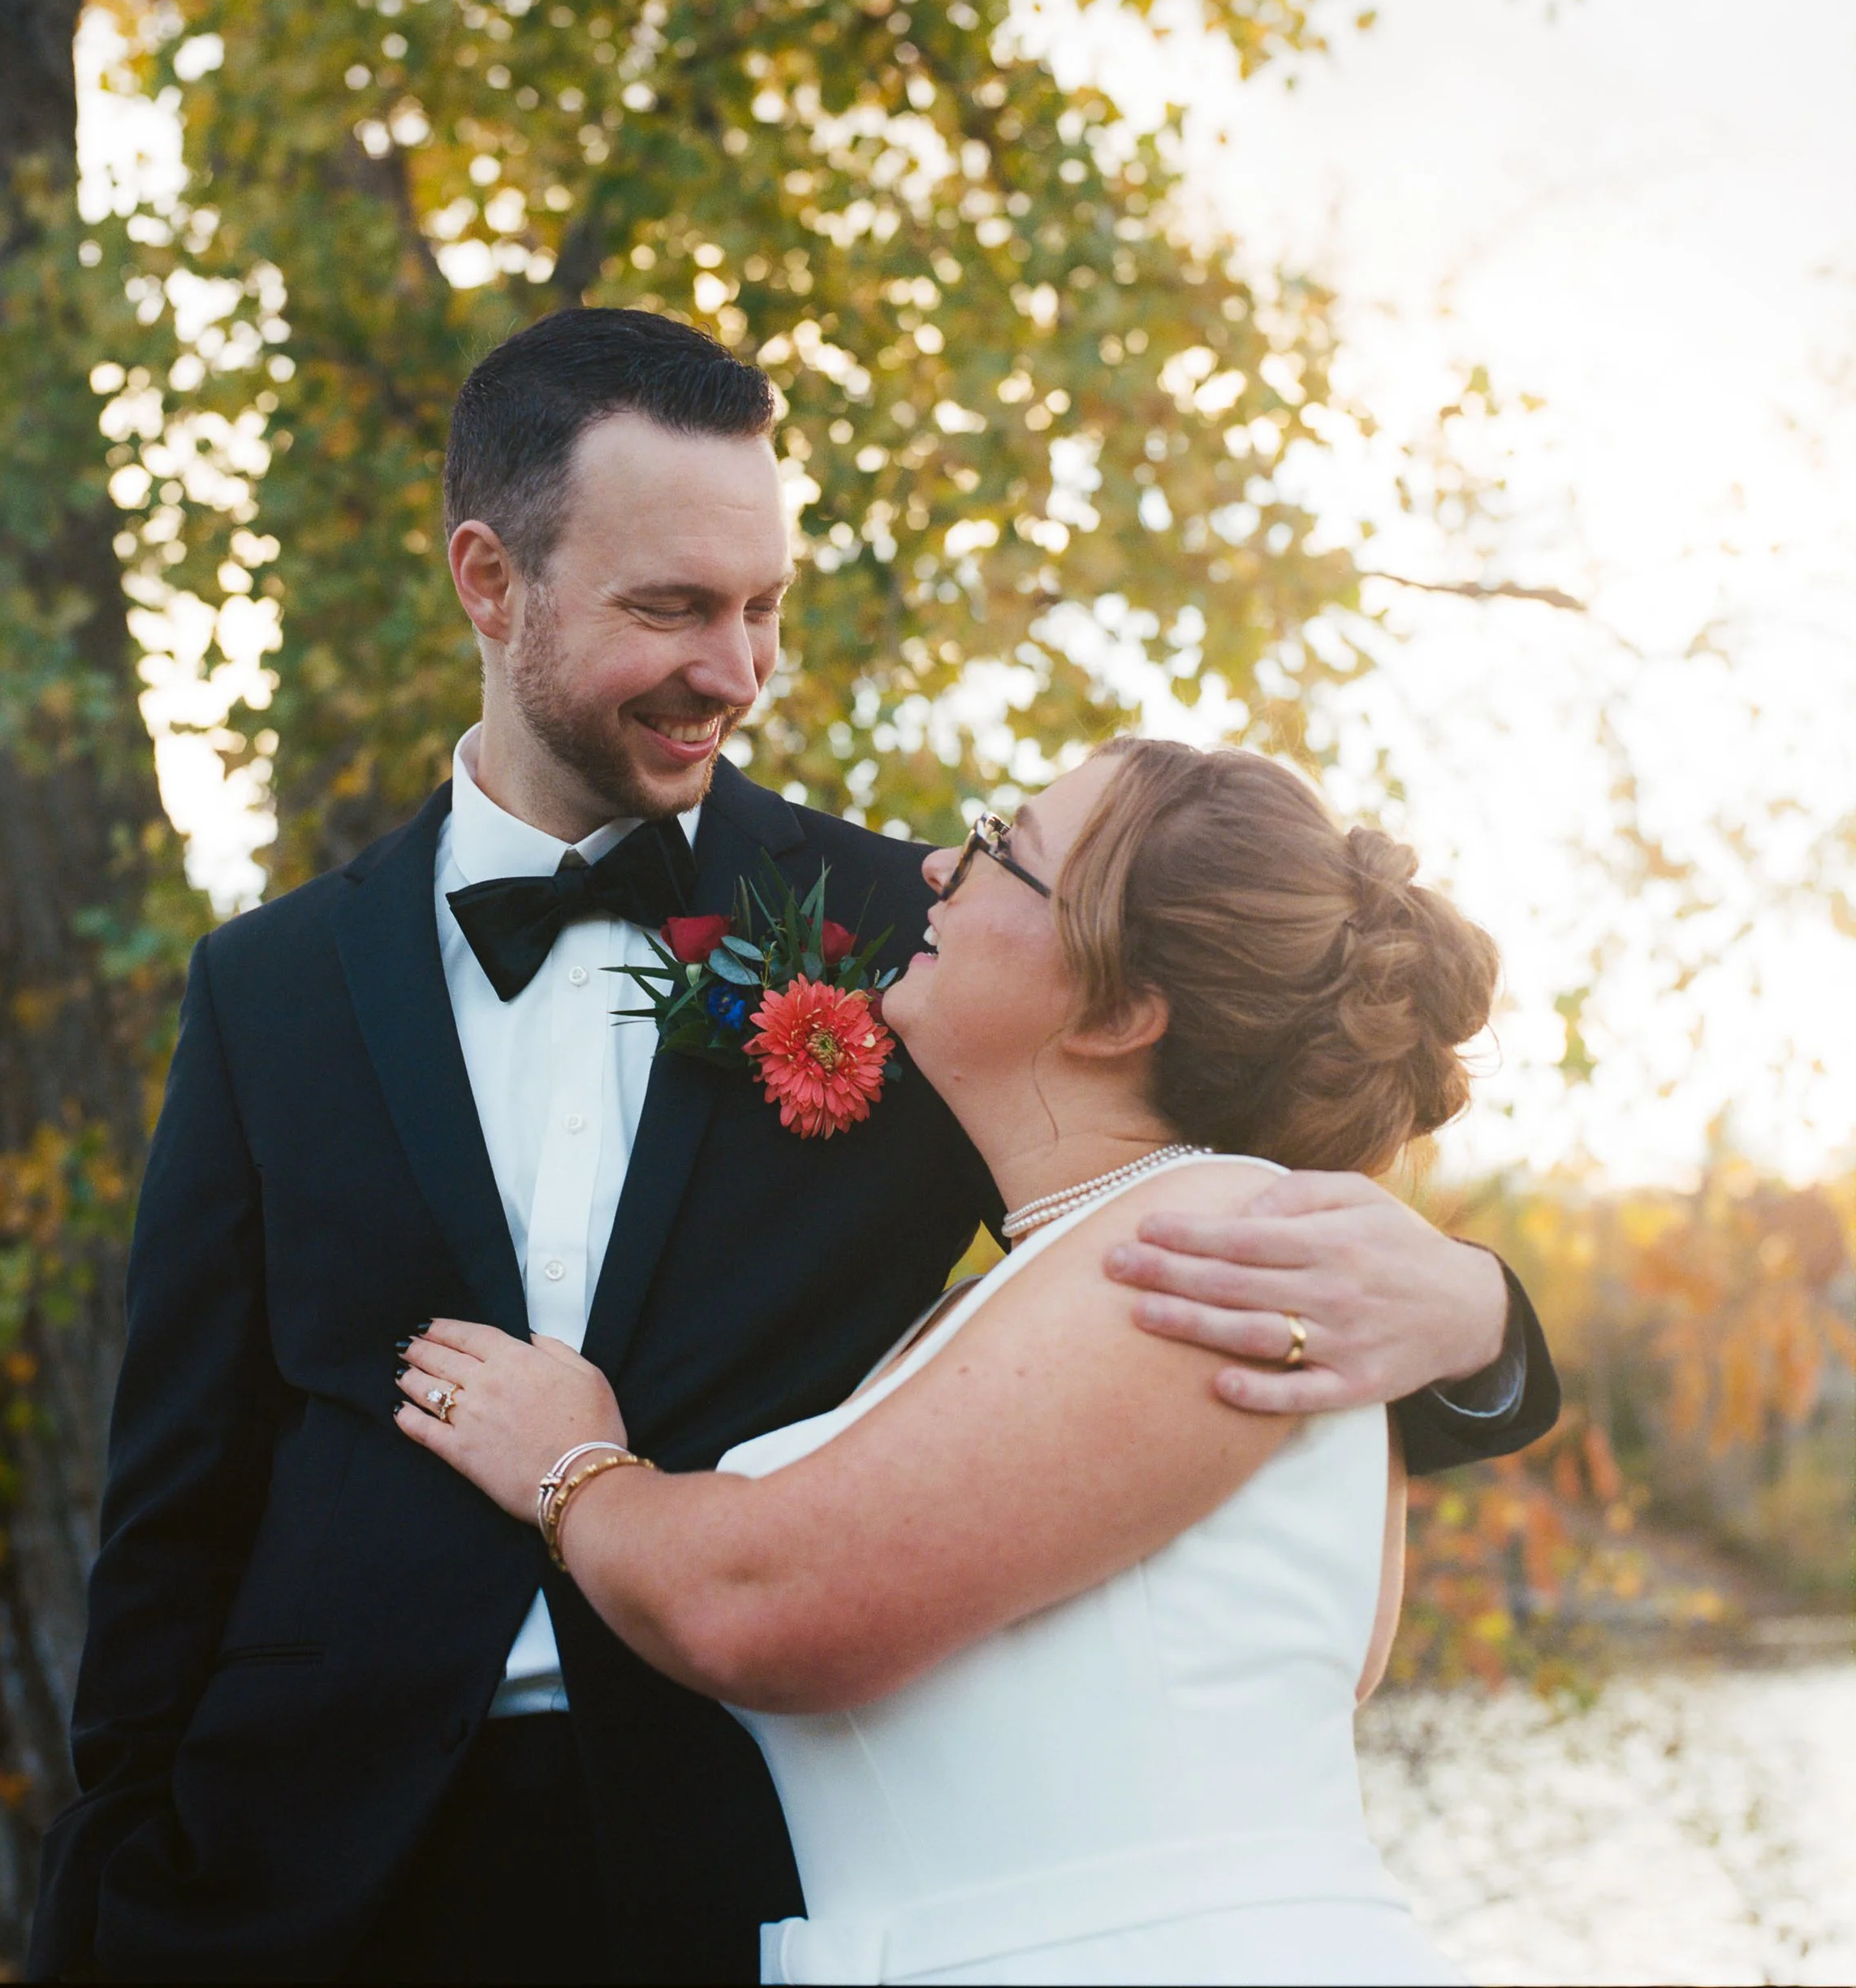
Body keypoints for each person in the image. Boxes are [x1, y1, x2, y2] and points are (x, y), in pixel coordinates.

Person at [28, 309, 1556, 1983]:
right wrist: (104, 1910)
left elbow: (1199, 1229)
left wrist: (1478, 1326)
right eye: (671, 607)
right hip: (298, 1884)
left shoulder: (930, 952)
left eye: (761, 607)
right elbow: (175, 1507)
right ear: (490, 581)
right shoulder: (272, 989)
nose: (736, 670)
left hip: (728, 1865)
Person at [394, 737, 1494, 1985]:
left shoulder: (1212, 1252)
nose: (933, 865)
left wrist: (572, 1463)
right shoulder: (1042, 1284)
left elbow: (754, 1601)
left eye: (1000, 853)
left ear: (1124, 1009)